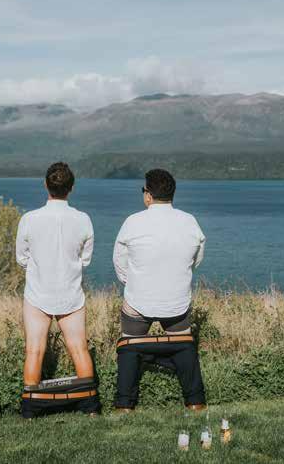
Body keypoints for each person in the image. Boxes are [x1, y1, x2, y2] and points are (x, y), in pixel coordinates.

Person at [112, 168, 206, 412]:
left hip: (138, 301)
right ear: (172, 194)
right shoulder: (190, 222)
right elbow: (195, 261)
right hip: (176, 303)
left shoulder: (133, 222)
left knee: (130, 346)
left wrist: (133, 282)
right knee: (184, 346)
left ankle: (125, 405)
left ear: (148, 195)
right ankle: (195, 402)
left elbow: (119, 262)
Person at [15, 162, 99, 418]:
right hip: (71, 294)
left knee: (34, 349)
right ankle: (90, 408)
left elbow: (21, 258)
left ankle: (30, 410)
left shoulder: (29, 219)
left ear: (46, 185)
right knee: (79, 348)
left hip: (37, 294)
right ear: (71, 188)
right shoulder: (83, 219)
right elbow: (85, 260)